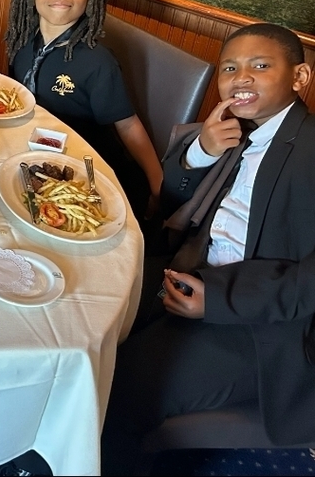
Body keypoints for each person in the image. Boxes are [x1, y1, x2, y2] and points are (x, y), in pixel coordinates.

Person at [100, 23, 315, 475]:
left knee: (116, 391)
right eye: (230, 68)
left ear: (300, 78)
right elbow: (173, 206)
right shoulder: (234, 131)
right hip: (189, 272)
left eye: (260, 66)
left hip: (255, 323)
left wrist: (218, 299)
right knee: (85, 312)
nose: (242, 78)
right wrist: (201, 151)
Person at [4, 0, 162, 222]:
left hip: (88, 173)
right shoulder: (22, 41)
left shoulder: (98, 62)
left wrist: (158, 185)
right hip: (36, 158)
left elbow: (127, 124)